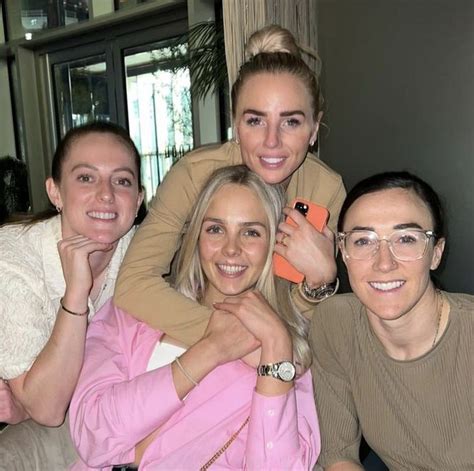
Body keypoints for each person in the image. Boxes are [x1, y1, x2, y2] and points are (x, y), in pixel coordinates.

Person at [70, 165, 320, 470]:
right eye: (215, 229)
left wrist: (277, 347)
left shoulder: (288, 353)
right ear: (196, 236)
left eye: (251, 232)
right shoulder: (131, 312)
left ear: (273, 244)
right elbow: (92, 436)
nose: (231, 249)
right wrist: (210, 351)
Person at [114, 25, 346, 345]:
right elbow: (133, 283)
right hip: (190, 339)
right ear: (236, 123)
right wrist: (228, 337)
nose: (271, 142)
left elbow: (308, 323)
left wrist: (319, 281)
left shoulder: (325, 190)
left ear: (314, 128)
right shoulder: (195, 175)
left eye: (291, 121)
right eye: (255, 120)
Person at [0, 121, 144, 468]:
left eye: (122, 180)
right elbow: (47, 408)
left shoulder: (144, 249)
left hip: (92, 412)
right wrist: (76, 294)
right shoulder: (12, 257)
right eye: (86, 177)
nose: (106, 194)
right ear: (55, 193)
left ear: (138, 200)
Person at [310, 171, 474, 470]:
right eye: (363, 241)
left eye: (406, 239)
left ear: (435, 253)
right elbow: (338, 454)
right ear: (343, 253)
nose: (384, 262)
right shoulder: (336, 323)